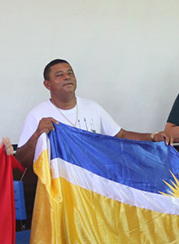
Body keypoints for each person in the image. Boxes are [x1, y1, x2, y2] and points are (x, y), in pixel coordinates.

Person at [16, 59, 169, 169]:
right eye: (59, 75)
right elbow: (22, 160)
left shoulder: (92, 108)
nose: (67, 77)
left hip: (91, 191)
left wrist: (152, 137)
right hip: (58, 194)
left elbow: (121, 136)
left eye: (70, 73)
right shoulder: (37, 115)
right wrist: (37, 134)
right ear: (47, 84)